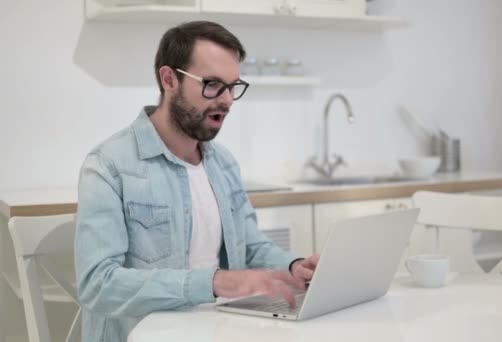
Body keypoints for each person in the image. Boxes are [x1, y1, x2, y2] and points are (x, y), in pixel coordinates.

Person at [74, 21, 319, 342]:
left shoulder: (223, 163)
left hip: (219, 330)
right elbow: (98, 285)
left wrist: (293, 267)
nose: (227, 101)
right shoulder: (109, 165)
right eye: (213, 84)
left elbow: (251, 246)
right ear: (169, 79)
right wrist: (216, 282)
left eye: (233, 87)